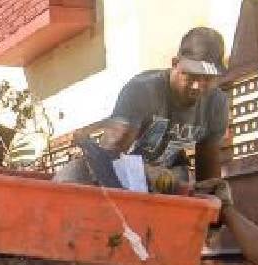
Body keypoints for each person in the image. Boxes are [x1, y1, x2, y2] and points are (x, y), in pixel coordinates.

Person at [56, 27, 229, 190]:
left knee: (180, 181)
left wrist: (216, 197)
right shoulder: (143, 91)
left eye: (207, 78)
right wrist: (144, 171)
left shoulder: (216, 104)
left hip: (161, 180)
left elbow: (207, 174)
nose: (198, 86)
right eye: (191, 75)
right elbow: (104, 160)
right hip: (104, 173)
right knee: (73, 179)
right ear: (175, 64)